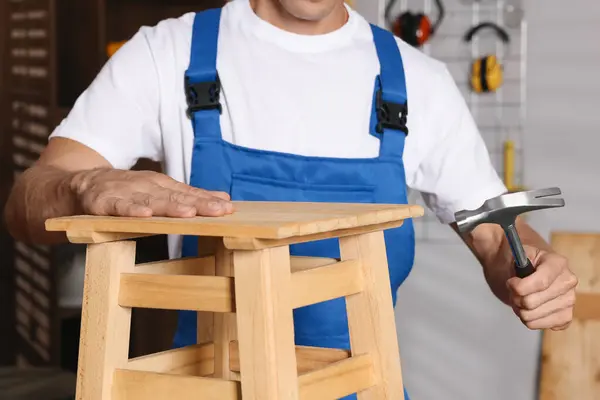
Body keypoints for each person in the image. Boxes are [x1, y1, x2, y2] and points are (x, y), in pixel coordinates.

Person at [4, 0, 577, 397]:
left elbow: (493, 230)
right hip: (202, 386)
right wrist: (83, 184)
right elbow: (26, 202)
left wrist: (530, 266)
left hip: (362, 389)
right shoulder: (167, 54)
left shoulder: (415, 80)